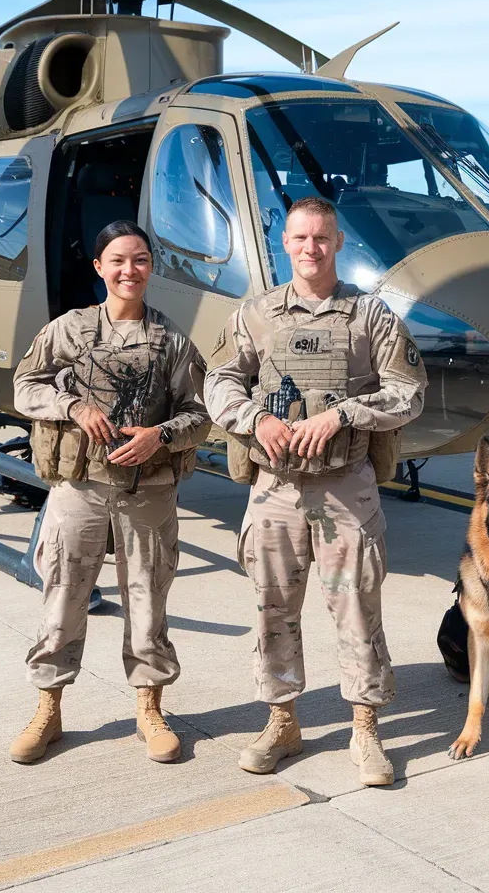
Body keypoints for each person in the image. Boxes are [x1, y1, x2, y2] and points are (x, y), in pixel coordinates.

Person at [204, 196, 427, 786]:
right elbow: (220, 380)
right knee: (272, 607)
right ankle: (282, 720)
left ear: (337, 242)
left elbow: (409, 390)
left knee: (357, 607)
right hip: (275, 488)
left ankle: (364, 728)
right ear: (285, 243)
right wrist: (257, 419)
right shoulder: (255, 315)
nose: (311, 248)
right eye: (301, 238)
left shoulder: (371, 317)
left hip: (344, 488)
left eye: (322, 238)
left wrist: (346, 414)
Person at [10, 220, 211, 765]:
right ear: (99, 268)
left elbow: (200, 414)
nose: (130, 270)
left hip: (148, 492)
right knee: (63, 598)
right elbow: (25, 387)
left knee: (147, 601)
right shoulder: (69, 331)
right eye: (118, 260)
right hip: (80, 488)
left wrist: (159, 436)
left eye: (140, 260)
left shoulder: (172, 341)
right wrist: (73, 406)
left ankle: (149, 707)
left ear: (151, 268)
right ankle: (48, 709)